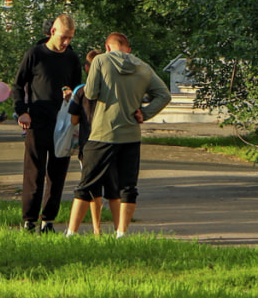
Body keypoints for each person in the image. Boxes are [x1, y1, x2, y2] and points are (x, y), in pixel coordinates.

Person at [65, 33, 171, 238]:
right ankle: (121, 233)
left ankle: (71, 233)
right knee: (128, 186)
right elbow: (164, 95)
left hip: (102, 133)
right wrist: (145, 113)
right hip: (131, 134)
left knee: (86, 183)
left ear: (107, 47)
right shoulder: (143, 67)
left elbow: (91, 93)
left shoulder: (100, 61)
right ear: (128, 49)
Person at [12, 13, 83, 233]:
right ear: (52, 32)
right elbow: (17, 85)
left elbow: (79, 90)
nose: (66, 42)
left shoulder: (72, 58)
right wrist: (22, 112)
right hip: (37, 121)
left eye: (70, 38)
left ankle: (48, 220)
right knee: (34, 171)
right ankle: (29, 220)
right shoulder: (35, 54)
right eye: (63, 37)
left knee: (58, 172)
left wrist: (72, 98)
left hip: (62, 123)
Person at [70, 49, 119, 234]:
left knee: (90, 188)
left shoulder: (81, 91)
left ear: (87, 68)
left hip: (88, 144)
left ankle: (94, 229)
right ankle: (119, 230)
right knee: (114, 189)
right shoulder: (113, 90)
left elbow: (74, 120)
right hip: (112, 142)